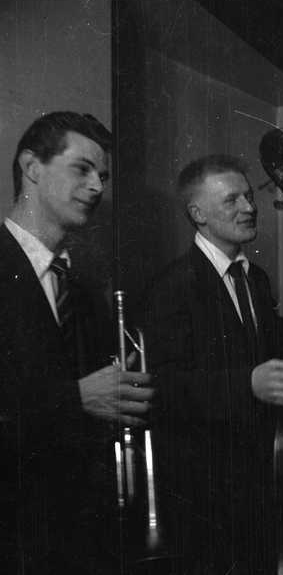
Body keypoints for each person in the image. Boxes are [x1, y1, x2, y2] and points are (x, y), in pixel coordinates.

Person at [140, 154, 283, 575]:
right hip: (204, 496)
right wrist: (247, 384)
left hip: (257, 485)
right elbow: (164, 386)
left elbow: (276, 353)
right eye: (231, 200)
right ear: (198, 214)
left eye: (248, 197)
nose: (249, 208)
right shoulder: (172, 286)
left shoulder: (256, 278)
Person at [0, 111, 154, 574]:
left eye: (102, 176)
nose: (97, 187)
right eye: (82, 169)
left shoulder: (81, 289)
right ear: (32, 167)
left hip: (77, 538)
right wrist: (77, 399)